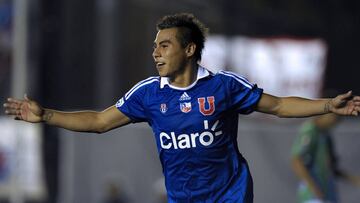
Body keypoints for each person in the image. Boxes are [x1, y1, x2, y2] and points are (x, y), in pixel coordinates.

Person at [3, 13, 360, 203]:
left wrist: (327, 104)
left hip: (230, 196)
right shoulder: (147, 94)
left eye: (165, 45)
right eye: (154, 46)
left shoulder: (223, 86)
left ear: (189, 50)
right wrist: (46, 115)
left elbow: (280, 105)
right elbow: (99, 121)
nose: (155, 52)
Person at [291, 113, 360, 203]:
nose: (338, 120)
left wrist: (353, 179)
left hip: (328, 193)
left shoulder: (326, 135)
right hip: (314, 196)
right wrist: (313, 188)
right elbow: (296, 161)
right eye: (336, 116)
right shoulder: (310, 130)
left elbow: (331, 167)